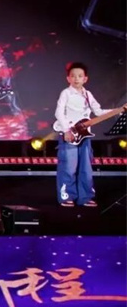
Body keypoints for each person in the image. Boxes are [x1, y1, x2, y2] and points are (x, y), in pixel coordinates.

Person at [53, 62, 127, 208]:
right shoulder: (66, 93)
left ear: (85, 79)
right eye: (73, 76)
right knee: (69, 167)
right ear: (68, 78)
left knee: (86, 168)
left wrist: (119, 110)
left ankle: (85, 197)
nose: (76, 79)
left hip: (85, 136)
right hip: (70, 134)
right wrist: (67, 130)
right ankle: (67, 196)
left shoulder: (88, 94)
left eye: (80, 76)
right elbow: (58, 113)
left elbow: (98, 112)